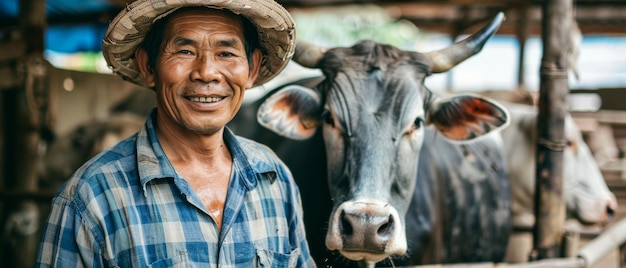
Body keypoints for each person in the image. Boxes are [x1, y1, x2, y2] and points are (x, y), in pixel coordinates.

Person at [35, 0, 315, 267]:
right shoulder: (92, 196)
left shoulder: (274, 177)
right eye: (185, 51)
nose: (206, 73)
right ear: (148, 67)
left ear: (252, 68)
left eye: (226, 53)